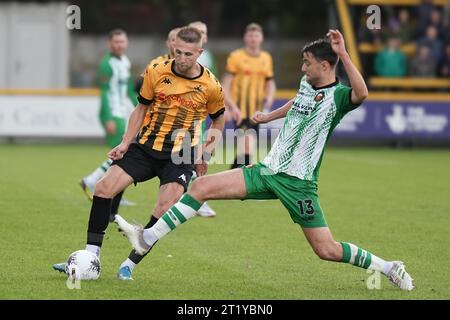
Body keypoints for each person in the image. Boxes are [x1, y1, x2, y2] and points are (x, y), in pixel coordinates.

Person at [116, 30, 414, 291]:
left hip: (298, 184)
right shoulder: (306, 84)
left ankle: (388, 267)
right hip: (267, 170)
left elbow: (362, 93)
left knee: (327, 250)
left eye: (307, 62)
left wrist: (344, 54)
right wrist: (269, 116)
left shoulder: (338, 97)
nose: (302, 67)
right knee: (201, 187)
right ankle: (146, 237)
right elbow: (298, 103)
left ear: (325, 65)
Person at [53, 27, 226, 281]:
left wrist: (206, 154)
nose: (181, 57)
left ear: (200, 52)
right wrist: (125, 143)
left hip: (180, 155)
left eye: (188, 53)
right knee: (103, 187)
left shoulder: (211, 85)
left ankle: (129, 264)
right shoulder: (156, 71)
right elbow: (140, 110)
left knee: (164, 208)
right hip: (145, 148)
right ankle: (91, 258)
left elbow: (219, 121)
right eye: (177, 51)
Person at [80, 29, 137, 208]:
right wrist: (108, 118)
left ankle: (93, 181)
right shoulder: (106, 64)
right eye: (116, 42)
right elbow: (104, 92)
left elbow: (128, 90)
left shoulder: (125, 62)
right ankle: (102, 187)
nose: (119, 45)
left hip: (121, 113)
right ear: (110, 44)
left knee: (123, 153)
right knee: (124, 152)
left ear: (126, 43)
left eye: (122, 41)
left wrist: (142, 107)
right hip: (112, 114)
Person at [222, 23, 276, 169]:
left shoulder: (266, 58)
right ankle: (235, 184)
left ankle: (229, 182)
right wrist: (229, 106)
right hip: (240, 111)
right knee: (247, 147)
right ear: (245, 38)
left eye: (256, 35)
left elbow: (270, 83)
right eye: (250, 35)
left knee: (245, 151)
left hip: (257, 112)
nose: (253, 39)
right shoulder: (236, 57)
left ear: (261, 38)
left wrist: (268, 102)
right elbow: (225, 85)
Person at [187, 21, 219, 217]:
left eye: (203, 32)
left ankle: (197, 198)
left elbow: (213, 83)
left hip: (201, 113)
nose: (201, 34)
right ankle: (198, 200)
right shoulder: (184, 56)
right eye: (197, 31)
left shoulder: (207, 57)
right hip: (186, 113)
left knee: (198, 154)